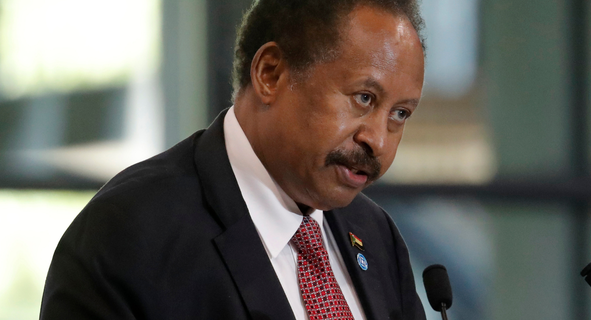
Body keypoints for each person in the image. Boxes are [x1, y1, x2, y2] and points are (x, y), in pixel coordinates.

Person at [40, 0, 426, 319]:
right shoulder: (127, 234)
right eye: (363, 98)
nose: (377, 140)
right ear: (270, 74)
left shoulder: (375, 235)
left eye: (400, 114)